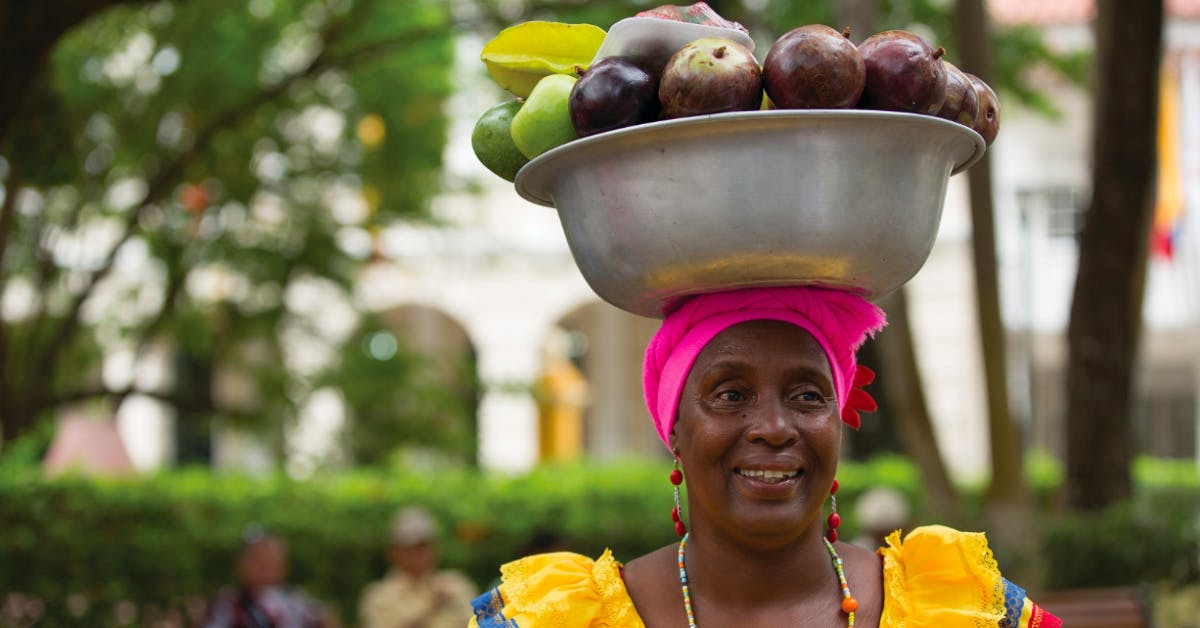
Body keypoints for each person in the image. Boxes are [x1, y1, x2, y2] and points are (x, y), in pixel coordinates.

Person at [469, 286, 1061, 627]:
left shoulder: (957, 606)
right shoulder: (558, 618)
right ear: (674, 429)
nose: (775, 428)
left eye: (807, 396)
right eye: (730, 395)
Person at [359, 506, 477, 628]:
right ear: (393, 552)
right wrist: (432, 608)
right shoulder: (378, 596)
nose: (417, 554)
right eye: (409, 548)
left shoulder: (457, 584)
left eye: (423, 546)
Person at [203, 526, 336, 628]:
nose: (268, 565)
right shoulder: (228, 603)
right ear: (241, 563)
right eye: (259, 558)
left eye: (275, 559)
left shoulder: (299, 601)